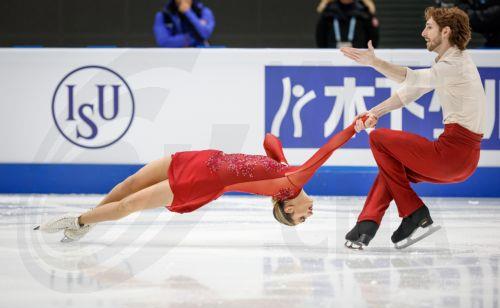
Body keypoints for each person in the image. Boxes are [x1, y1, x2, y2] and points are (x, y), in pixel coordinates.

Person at [35, 119, 366, 242]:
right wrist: (278, 156)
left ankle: (78, 221)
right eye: (304, 217)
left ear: (288, 205)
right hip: (203, 158)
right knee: (128, 184)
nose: (310, 214)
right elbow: (274, 141)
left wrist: (354, 128)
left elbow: (318, 150)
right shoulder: (290, 176)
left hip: (203, 181)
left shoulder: (291, 181)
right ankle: (92, 219)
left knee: (131, 203)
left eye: (301, 218)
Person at [340, 6, 485, 249]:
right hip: (463, 160)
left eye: (429, 27)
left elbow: (413, 79)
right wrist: (374, 112)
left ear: (446, 31)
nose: (423, 32)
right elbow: (410, 92)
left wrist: (374, 62)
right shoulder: (449, 63)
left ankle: (414, 210)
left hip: (452, 154)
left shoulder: (456, 65)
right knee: (392, 169)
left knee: (379, 139)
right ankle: (366, 225)